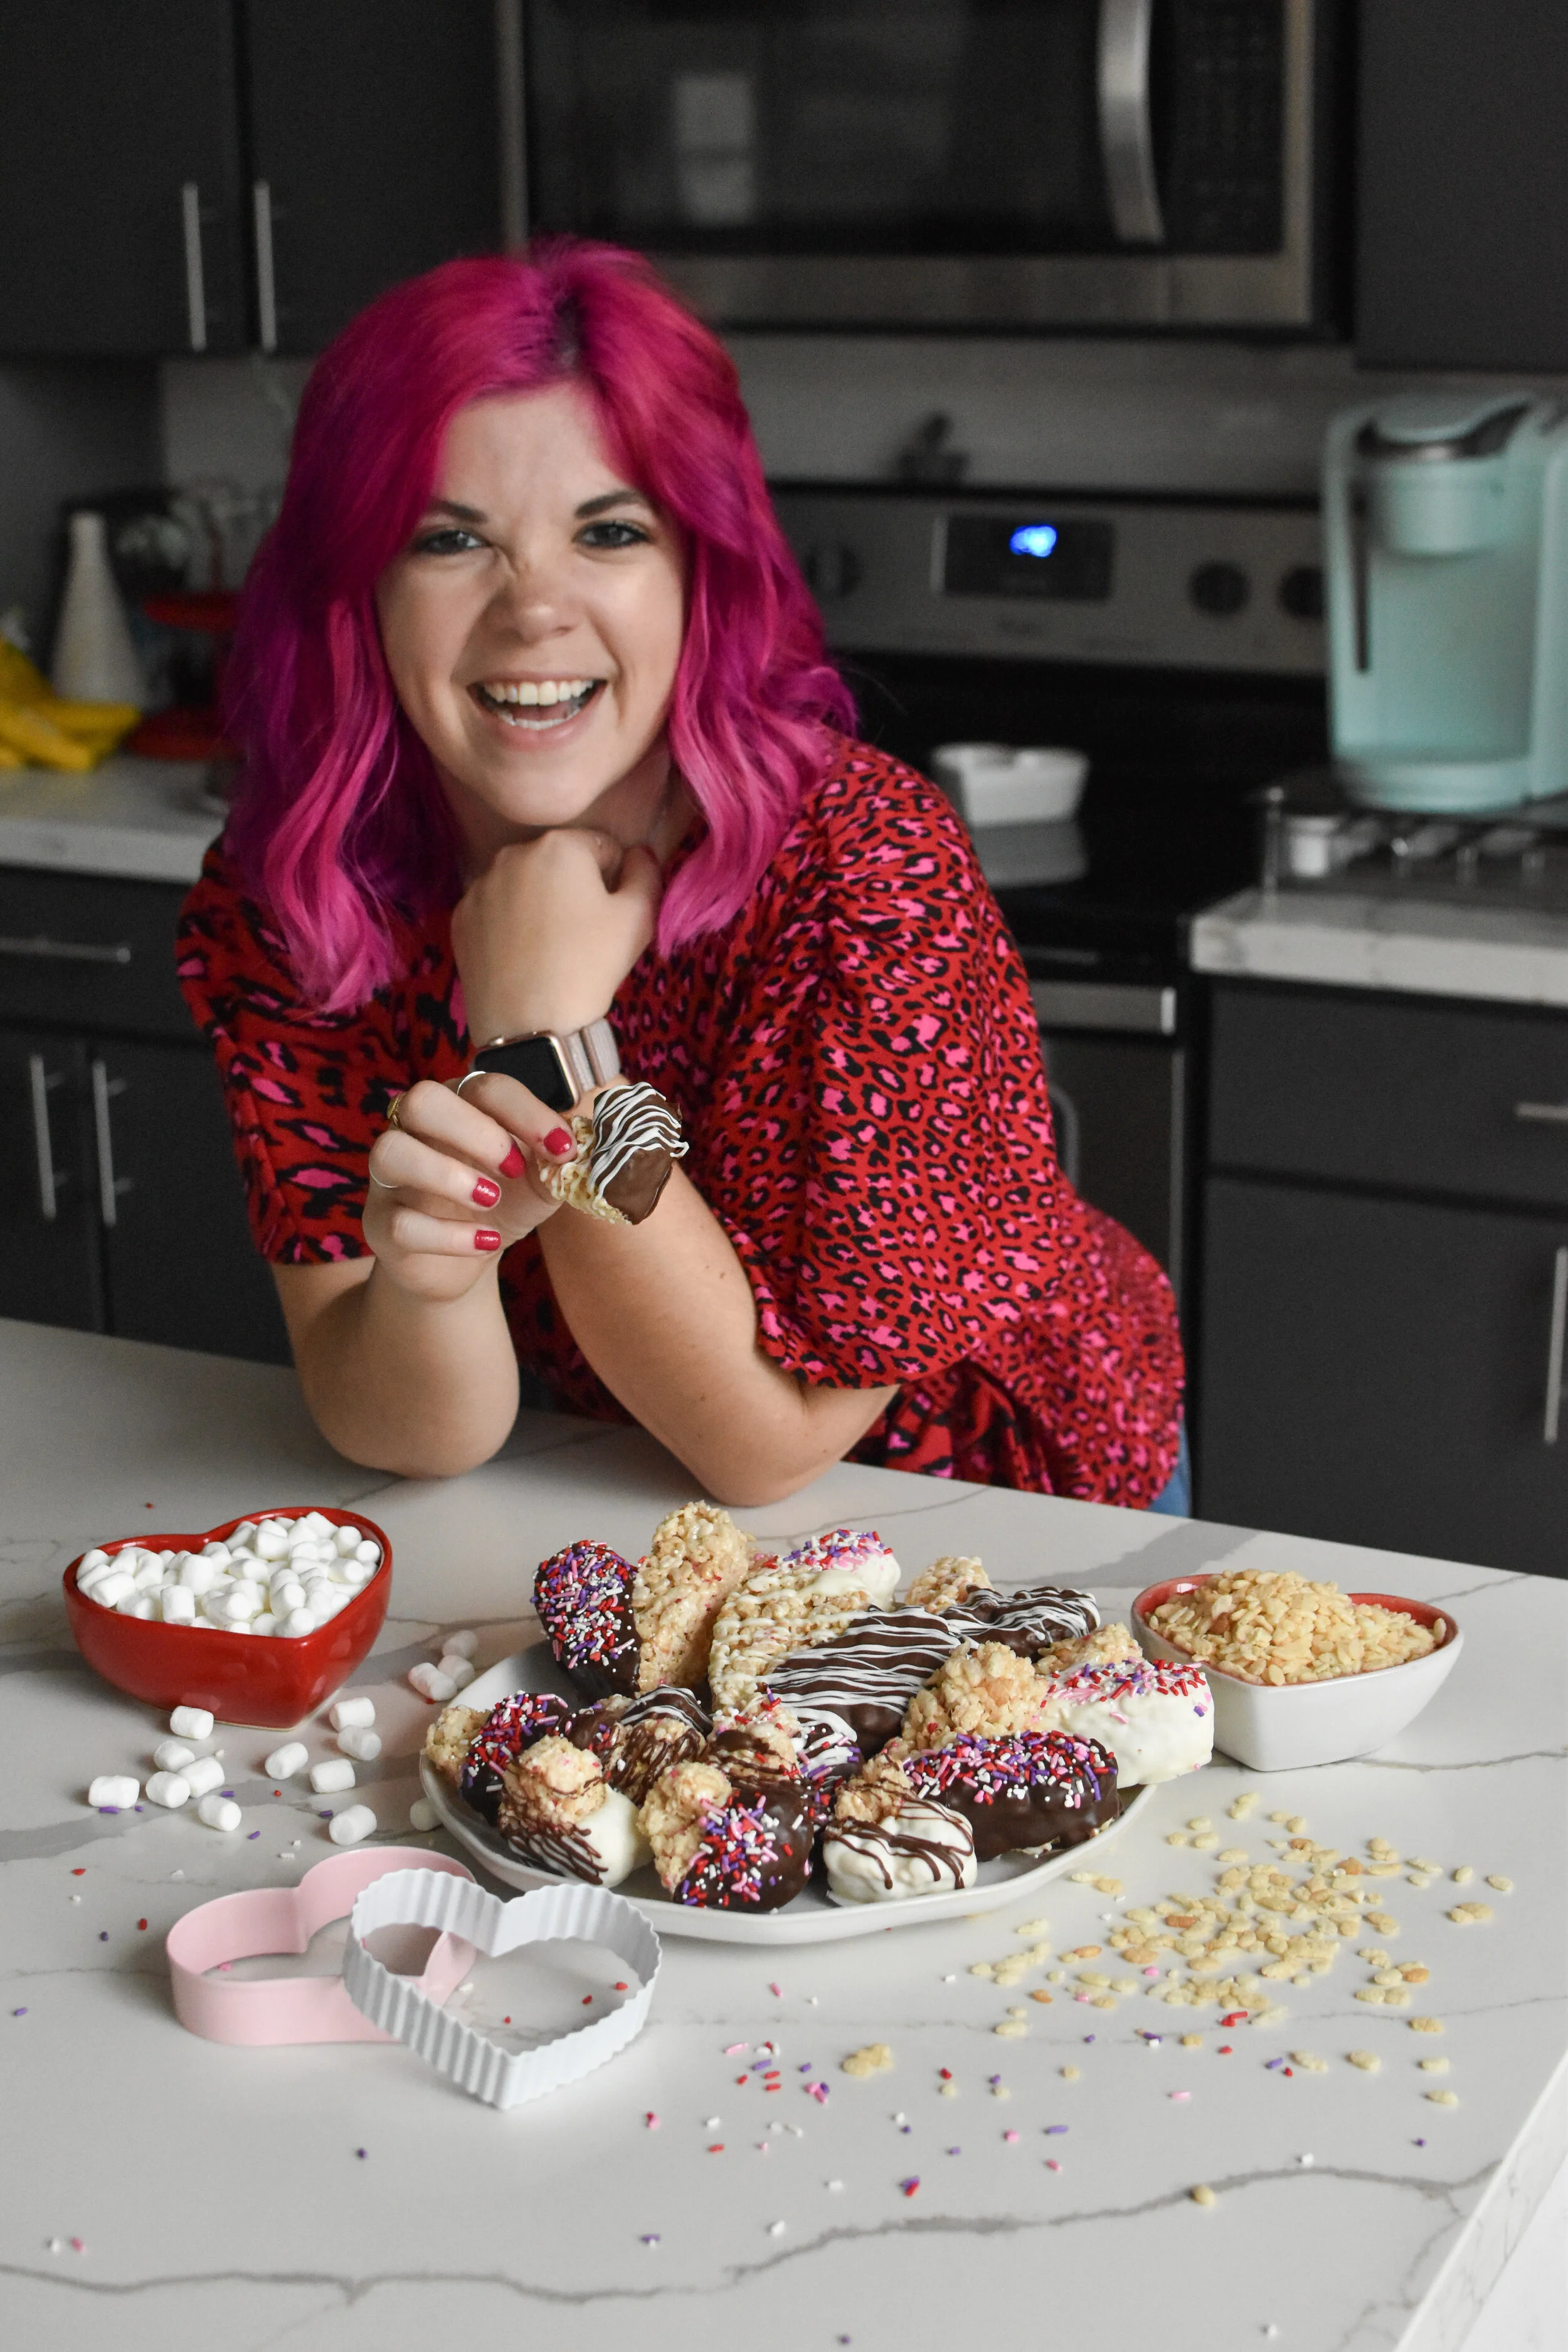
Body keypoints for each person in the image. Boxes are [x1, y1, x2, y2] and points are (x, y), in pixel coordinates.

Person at [178, 241, 1185, 1511]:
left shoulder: (861, 872)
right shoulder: (298, 891)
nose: (532, 609)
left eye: (607, 531)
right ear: (357, 590)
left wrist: (548, 1045)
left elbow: (768, 1444)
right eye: (448, 541)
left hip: (999, 1510)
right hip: (630, 1494)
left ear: (697, 573)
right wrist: (432, 1285)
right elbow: (402, 1425)